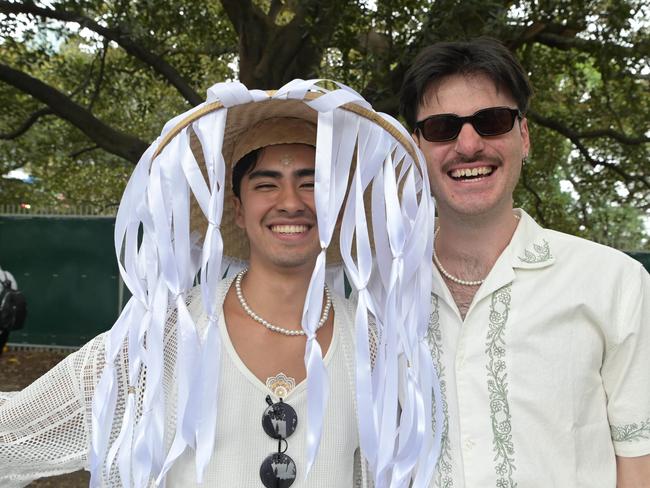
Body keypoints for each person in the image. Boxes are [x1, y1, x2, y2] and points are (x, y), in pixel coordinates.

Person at [0, 80, 436, 487]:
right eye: (267, 184)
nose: (290, 202)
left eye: (312, 184)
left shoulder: (374, 346)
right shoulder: (163, 338)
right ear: (238, 209)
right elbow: (12, 438)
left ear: (337, 208)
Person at [400, 38, 650, 487]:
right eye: (442, 127)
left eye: (491, 121)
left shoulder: (614, 283)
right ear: (415, 147)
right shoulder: (381, 295)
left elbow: (639, 463)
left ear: (525, 136)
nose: (469, 144)